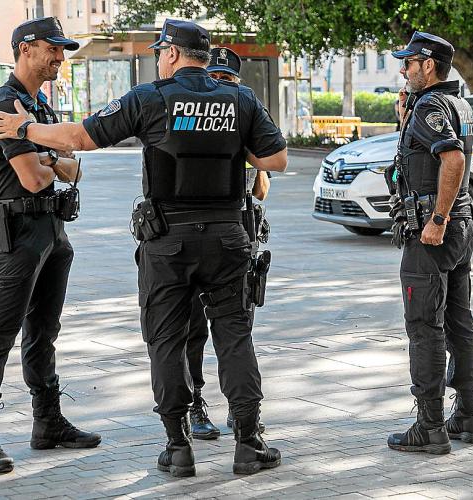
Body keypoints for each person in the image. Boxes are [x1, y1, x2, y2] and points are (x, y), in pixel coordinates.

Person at [0, 18, 288, 477]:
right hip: (228, 239)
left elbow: (81, 137)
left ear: (171, 54)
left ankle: (178, 446)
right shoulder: (240, 99)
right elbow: (275, 159)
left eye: (160, 53)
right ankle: (249, 443)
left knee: (166, 339)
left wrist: (25, 129)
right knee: (234, 337)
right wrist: (224, 140)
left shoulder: (151, 98)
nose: (159, 60)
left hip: (168, 242)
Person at [0, 17, 101, 474]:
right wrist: (53, 157)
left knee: (44, 332)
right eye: (53, 48)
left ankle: (48, 423)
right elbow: (35, 178)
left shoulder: (37, 106)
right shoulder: (4, 107)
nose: (60, 57)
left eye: (63, 50)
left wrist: (51, 157)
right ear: (26, 49)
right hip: (19, 236)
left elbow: (75, 168)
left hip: (52, 233)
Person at [386, 31, 473, 455]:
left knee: (425, 326)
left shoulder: (429, 106)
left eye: (408, 63)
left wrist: (436, 220)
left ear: (428, 65)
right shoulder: (458, 103)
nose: (403, 70)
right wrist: (404, 118)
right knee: (459, 321)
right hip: (461, 226)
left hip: (433, 231)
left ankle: (429, 426)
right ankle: (468, 415)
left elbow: (453, 158)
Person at [187, 46, 270, 440]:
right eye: (214, 77)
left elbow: (262, 188)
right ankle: (194, 405)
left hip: (237, 234)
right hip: (193, 234)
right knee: (192, 330)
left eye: (227, 79)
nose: (219, 84)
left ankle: (242, 411)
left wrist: (250, 156)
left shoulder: (245, 117)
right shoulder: (189, 117)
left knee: (236, 329)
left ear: (237, 83)